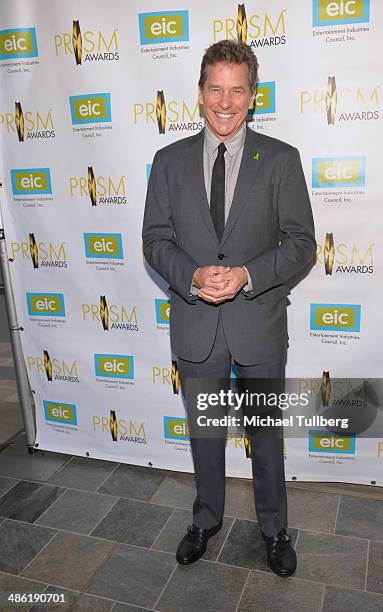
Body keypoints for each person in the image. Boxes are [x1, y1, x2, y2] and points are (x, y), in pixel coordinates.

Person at [142, 39, 316, 577]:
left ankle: (274, 530)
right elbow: (155, 240)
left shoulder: (281, 159)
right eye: (215, 88)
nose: (225, 101)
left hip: (258, 321)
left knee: (265, 436)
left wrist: (245, 275)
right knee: (205, 433)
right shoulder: (168, 162)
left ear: (252, 96)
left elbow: (301, 243)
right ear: (199, 93)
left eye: (236, 90)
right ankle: (205, 520)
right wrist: (192, 276)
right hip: (197, 325)